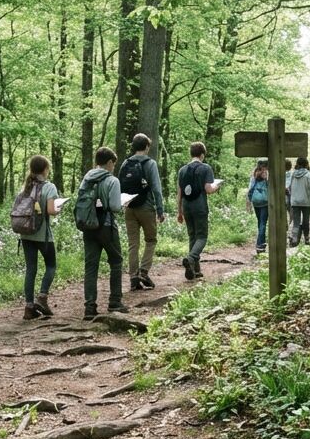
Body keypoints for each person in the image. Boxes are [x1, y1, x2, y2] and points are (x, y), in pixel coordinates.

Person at [79, 147, 128, 319]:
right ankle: (115, 301)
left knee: (91, 266)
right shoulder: (112, 180)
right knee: (116, 261)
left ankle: (89, 307)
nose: (114, 167)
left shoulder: (86, 178)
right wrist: (123, 204)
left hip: (88, 226)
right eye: (113, 163)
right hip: (106, 226)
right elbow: (114, 206)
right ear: (108, 162)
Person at [118, 133, 165, 291]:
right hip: (146, 206)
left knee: (133, 244)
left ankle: (133, 277)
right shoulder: (150, 163)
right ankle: (144, 272)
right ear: (146, 147)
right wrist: (160, 210)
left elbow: (120, 186)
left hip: (129, 208)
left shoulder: (125, 163)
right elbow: (157, 189)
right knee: (151, 240)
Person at [18, 156, 61, 320]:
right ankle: (42, 297)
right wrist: (58, 209)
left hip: (26, 234)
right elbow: (51, 210)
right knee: (51, 265)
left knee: (31, 269)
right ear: (45, 169)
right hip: (43, 236)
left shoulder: (26, 187)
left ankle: (28, 307)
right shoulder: (49, 187)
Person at [176, 142, 221, 279]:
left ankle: (195, 270)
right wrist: (217, 186)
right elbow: (208, 189)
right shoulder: (206, 168)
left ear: (191, 154)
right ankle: (190, 259)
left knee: (192, 236)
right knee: (201, 237)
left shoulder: (182, 170)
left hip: (186, 205)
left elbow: (179, 192)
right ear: (202, 155)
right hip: (199, 205)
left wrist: (179, 211)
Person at [286, 156, 310, 246]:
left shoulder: (293, 175)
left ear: (297, 164)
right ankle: (306, 239)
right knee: (305, 221)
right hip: (306, 202)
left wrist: (293, 196)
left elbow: (289, 187)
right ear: (306, 165)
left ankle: (294, 239)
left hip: (295, 202)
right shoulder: (309, 175)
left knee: (296, 221)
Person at [246, 158, 270, 254]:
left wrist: (248, 203)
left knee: (260, 222)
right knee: (263, 223)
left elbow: (250, 189)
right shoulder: (267, 174)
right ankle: (260, 245)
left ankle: (262, 243)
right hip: (265, 202)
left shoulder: (254, 175)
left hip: (256, 202)